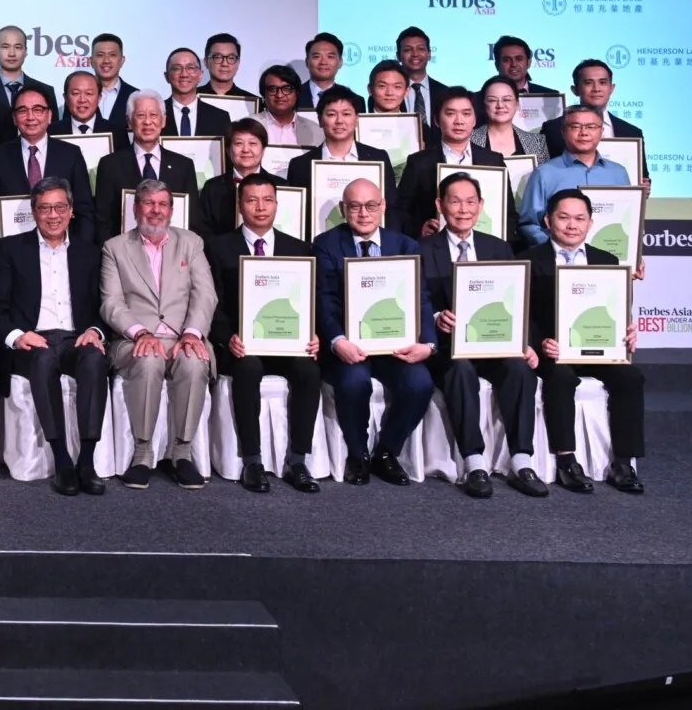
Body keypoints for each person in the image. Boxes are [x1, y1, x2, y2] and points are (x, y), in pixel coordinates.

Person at [423, 172, 546, 499]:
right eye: (455, 202)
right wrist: (436, 318)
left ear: (481, 206)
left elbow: (516, 301)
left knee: (519, 368)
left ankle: (521, 461)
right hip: (448, 348)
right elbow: (414, 301)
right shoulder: (421, 249)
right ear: (440, 205)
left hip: (493, 344)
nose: (463, 209)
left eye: (470, 202)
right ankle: (474, 462)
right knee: (460, 370)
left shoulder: (498, 247)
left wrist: (523, 343)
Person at [520, 188, 646, 495]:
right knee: (561, 377)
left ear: (590, 223)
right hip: (553, 351)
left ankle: (624, 464)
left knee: (631, 376)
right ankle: (567, 462)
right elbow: (522, 315)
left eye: (580, 219)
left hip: (596, 348)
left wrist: (627, 331)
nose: (572, 225)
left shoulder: (607, 260)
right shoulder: (527, 261)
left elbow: (615, 309)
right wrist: (540, 342)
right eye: (564, 217)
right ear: (548, 221)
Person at [203, 173, 322, 493]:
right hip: (242, 345)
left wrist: (313, 334)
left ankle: (299, 461)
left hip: (288, 343)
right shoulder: (218, 248)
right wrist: (228, 337)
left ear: (277, 204)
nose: (260, 207)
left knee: (309, 371)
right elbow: (212, 303)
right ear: (240, 205)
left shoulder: (300, 249)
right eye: (252, 200)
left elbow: (310, 302)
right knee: (248, 368)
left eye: (267, 200)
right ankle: (252, 462)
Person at [315, 178, 434, 485]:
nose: (363, 213)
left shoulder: (405, 246)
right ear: (343, 209)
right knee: (354, 382)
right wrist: (338, 341)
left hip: (395, 345)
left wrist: (428, 344)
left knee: (420, 383)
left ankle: (386, 452)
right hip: (350, 345)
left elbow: (421, 299)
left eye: (370, 205)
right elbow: (324, 301)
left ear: (383, 206)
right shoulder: (326, 245)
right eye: (355, 206)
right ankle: (358, 455)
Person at [99, 179, 216, 489]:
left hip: (182, 336)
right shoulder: (115, 247)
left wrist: (192, 334)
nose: (156, 210)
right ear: (136, 208)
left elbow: (205, 294)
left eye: (163, 204)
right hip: (133, 340)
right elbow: (111, 303)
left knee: (194, 362)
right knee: (149, 360)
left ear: (171, 210)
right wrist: (140, 333)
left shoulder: (191, 243)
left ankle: (182, 453)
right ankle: (143, 453)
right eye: (149, 203)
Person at [0, 178, 108, 496]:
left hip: (76, 338)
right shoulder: (10, 249)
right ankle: (62, 461)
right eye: (45, 208)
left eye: (60, 207)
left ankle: (86, 462)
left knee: (94, 360)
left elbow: (103, 306)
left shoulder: (90, 253)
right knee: (44, 360)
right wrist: (18, 336)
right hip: (34, 340)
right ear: (34, 212)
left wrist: (95, 331)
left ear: (72, 211)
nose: (53, 215)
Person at [0, 85, 96, 242]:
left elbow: (84, 209)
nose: (30, 117)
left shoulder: (71, 154)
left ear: (49, 115)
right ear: (14, 118)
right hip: (12, 249)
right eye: (23, 111)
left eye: (38, 110)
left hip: (64, 247)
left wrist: (81, 248)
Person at [392, 89, 504, 238]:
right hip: (435, 245)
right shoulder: (419, 163)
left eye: (466, 114)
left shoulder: (494, 161)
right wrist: (419, 229)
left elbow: (508, 213)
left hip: (484, 245)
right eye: (450, 114)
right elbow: (400, 211)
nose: (459, 121)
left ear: (475, 120)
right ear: (437, 120)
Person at [519, 104, 635, 245]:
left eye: (591, 127)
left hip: (609, 253)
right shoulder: (544, 173)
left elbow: (629, 220)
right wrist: (555, 248)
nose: (584, 132)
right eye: (575, 127)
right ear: (563, 132)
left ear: (602, 131)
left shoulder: (618, 172)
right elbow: (529, 224)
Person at [94, 91, 198, 242]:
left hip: (173, 251)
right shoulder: (110, 165)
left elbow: (192, 219)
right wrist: (115, 252)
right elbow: (103, 221)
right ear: (129, 121)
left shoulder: (183, 166)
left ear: (163, 120)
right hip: (124, 251)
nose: (147, 122)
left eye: (154, 115)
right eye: (140, 115)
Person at [538, 59, 648, 187]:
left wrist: (643, 186)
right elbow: (545, 172)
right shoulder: (552, 129)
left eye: (603, 82)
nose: (596, 89)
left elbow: (642, 175)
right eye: (588, 83)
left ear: (612, 88)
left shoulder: (632, 132)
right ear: (575, 89)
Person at [286, 86, 398, 205]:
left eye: (346, 114)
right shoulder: (299, 166)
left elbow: (392, 207)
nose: (339, 121)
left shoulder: (378, 158)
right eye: (331, 114)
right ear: (320, 120)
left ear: (357, 119)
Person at [195, 117, 291, 235]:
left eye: (252, 143)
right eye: (238, 143)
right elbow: (203, 231)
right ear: (228, 150)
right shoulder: (212, 188)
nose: (246, 150)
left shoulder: (281, 185)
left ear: (263, 150)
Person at [0, 26, 54, 141]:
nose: (12, 53)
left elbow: (53, 135)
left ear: (25, 51)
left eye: (18, 47)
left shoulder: (46, 91)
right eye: (5, 47)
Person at [159, 47, 235, 137]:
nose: (184, 74)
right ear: (167, 76)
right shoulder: (155, 115)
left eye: (190, 68)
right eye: (176, 69)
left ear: (200, 75)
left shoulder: (220, 117)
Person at [479, 75, 549, 163]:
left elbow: (545, 171)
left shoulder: (537, 142)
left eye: (507, 100)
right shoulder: (469, 140)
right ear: (483, 104)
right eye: (492, 100)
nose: (500, 105)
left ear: (517, 104)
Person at [250, 65, 322, 148]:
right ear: (264, 94)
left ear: (296, 94)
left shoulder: (316, 131)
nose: (279, 95)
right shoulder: (249, 126)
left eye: (287, 89)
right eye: (272, 89)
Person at [396, 26, 448, 129]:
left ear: (429, 54)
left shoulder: (445, 93)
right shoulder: (389, 94)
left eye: (420, 49)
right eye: (407, 50)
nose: (415, 54)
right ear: (398, 56)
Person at [297, 33, 364, 112]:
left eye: (330, 57)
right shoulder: (293, 96)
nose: (323, 62)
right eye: (317, 57)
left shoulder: (355, 100)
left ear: (340, 62)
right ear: (307, 62)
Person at [90, 33, 140, 131]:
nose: (106, 61)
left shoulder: (136, 96)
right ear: (91, 61)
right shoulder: (78, 97)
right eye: (100, 55)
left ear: (122, 60)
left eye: (112, 55)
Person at [50, 69, 115, 138]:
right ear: (66, 98)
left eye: (89, 93)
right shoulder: (50, 132)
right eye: (76, 93)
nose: (82, 100)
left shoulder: (117, 133)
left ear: (99, 98)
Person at [202, 33, 258, 107]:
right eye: (218, 57)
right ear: (206, 62)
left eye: (231, 58)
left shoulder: (255, 103)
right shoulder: (191, 97)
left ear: (238, 63)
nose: (225, 64)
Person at [492, 35, 557, 95]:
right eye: (507, 60)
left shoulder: (550, 95)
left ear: (528, 62)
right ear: (497, 65)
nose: (514, 64)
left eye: (519, 59)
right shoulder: (486, 96)